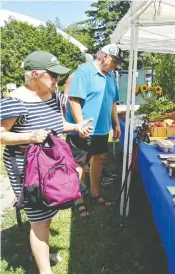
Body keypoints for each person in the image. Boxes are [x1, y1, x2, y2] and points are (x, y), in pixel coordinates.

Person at [0, 51, 93, 274]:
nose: (57, 81)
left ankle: (42, 252)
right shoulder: (14, 100)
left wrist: (77, 127)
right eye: (53, 76)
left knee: (48, 212)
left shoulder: (54, 96)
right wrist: (29, 137)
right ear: (34, 74)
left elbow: (58, 124)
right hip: (27, 165)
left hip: (53, 163)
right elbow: (1, 135)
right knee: (40, 219)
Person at [65, 44, 122, 206]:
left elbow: (112, 102)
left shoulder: (111, 76)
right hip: (85, 128)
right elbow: (73, 99)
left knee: (99, 159)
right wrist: (80, 124)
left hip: (102, 128)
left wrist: (116, 123)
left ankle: (94, 192)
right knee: (79, 164)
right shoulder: (84, 71)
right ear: (104, 56)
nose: (116, 65)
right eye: (115, 61)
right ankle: (78, 198)